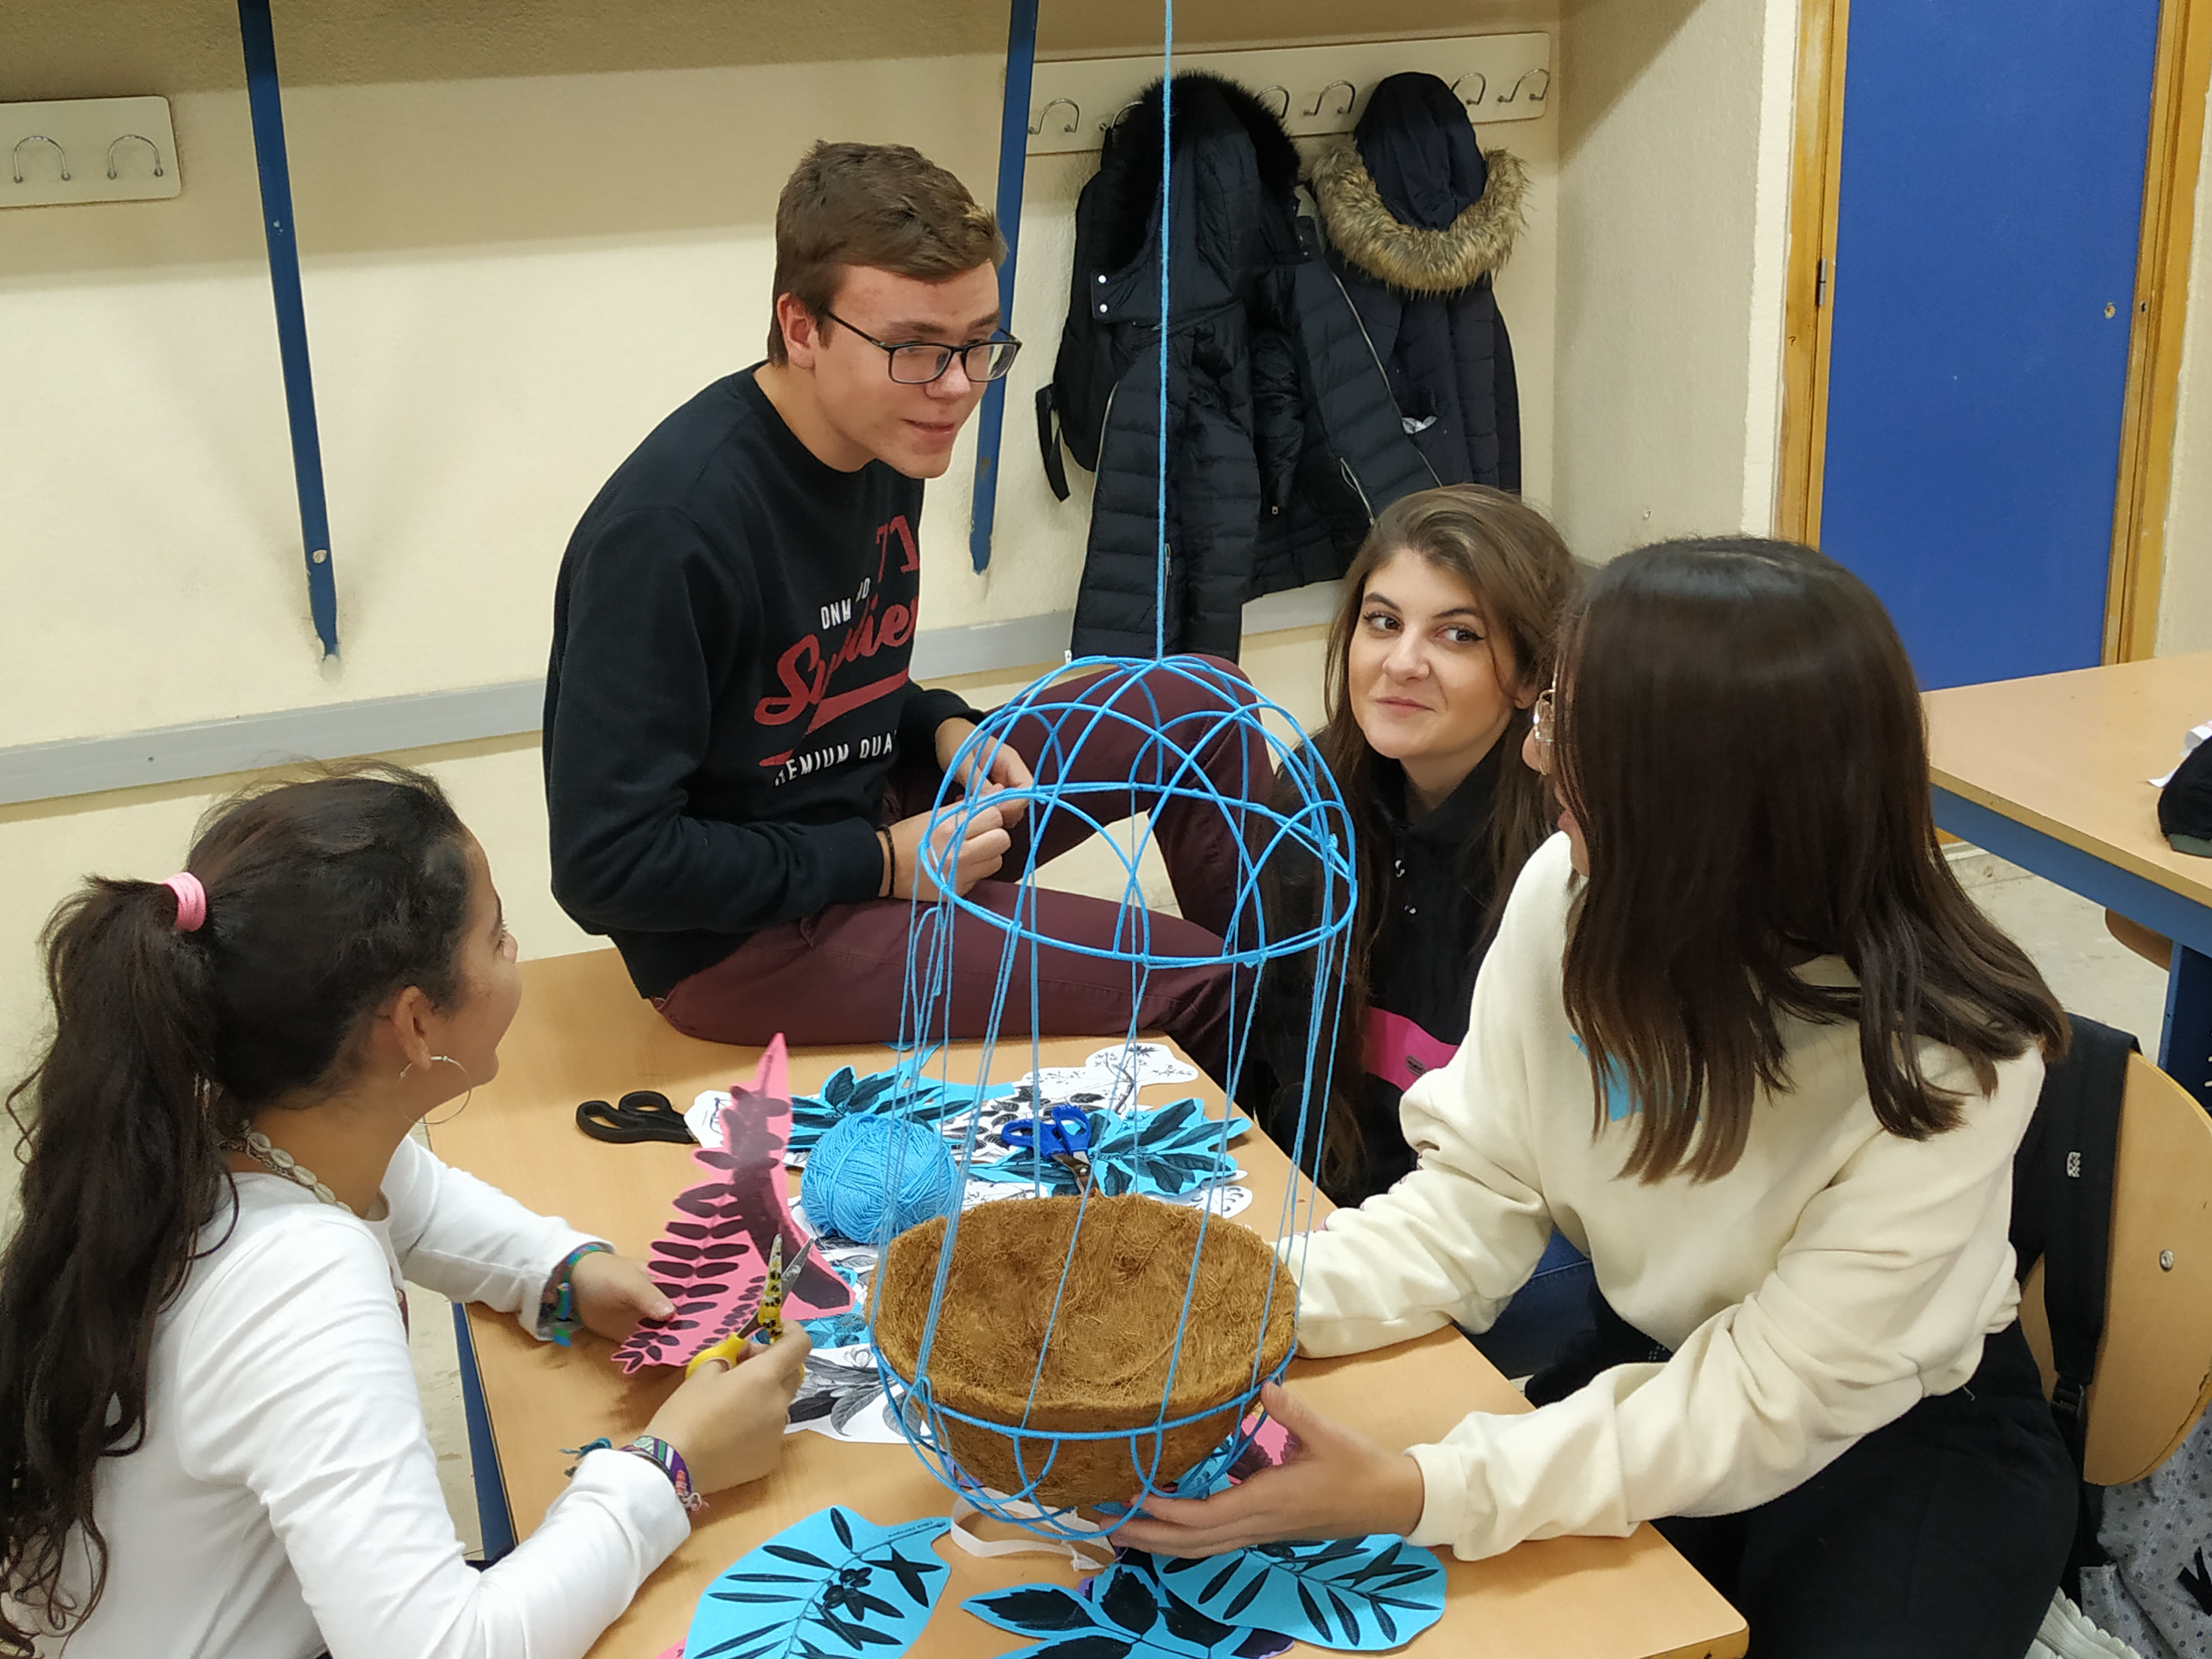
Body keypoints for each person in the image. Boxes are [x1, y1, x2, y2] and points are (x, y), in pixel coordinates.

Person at [1120, 540, 2079, 1659]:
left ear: (1710, 792)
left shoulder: (1948, 1058)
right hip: (1665, 1371)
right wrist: (1218, 1305)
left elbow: (1764, 1400)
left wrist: (1417, 1490)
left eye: (1572, 732)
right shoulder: (1572, 894)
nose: (1535, 757)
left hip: (1894, 1439)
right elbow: (1475, 1200)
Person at [0, 766, 808, 1659]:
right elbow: (440, 1649)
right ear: (416, 1024)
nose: (515, 951)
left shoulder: (227, 1130)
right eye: (497, 936)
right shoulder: (302, 1283)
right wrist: (672, 1467)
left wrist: (567, 1272)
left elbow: (418, 1203)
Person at [543, 141, 1268, 1079]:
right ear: (801, 328)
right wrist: (884, 865)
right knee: (1197, 976)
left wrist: (937, 722)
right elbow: (606, 865)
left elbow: (815, 659)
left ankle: (1302, 1017)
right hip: (742, 940)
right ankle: (1291, 1118)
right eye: (916, 349)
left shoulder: (884, 433)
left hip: (872, 818)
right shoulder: (667, 532)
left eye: (979, 344)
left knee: (1205, 703)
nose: (958, 388)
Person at [1248, 484, 1586, 1375]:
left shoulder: (1569, 852)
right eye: (1383, 622)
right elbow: (1276, 1056)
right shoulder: (1310, 794)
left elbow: (1539, 1183)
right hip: (1348, 1203)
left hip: (1505, 1228)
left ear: (1530, 677)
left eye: (1457, 635)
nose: (1402, 662)